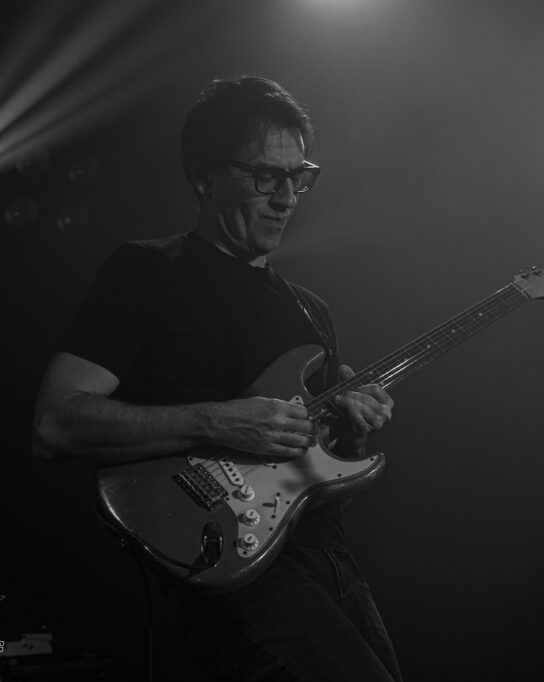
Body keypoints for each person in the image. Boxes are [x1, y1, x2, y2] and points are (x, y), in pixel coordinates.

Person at [33, 75, 403, 681]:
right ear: (204, 176)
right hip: (222, 559)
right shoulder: (145, 271)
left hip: (325, 555)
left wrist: (351, 432)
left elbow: (315, 463)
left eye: (299, 177)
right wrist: (217, 420)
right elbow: (55, 422)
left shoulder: (311, 311)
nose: (287, 198)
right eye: (266, 177)